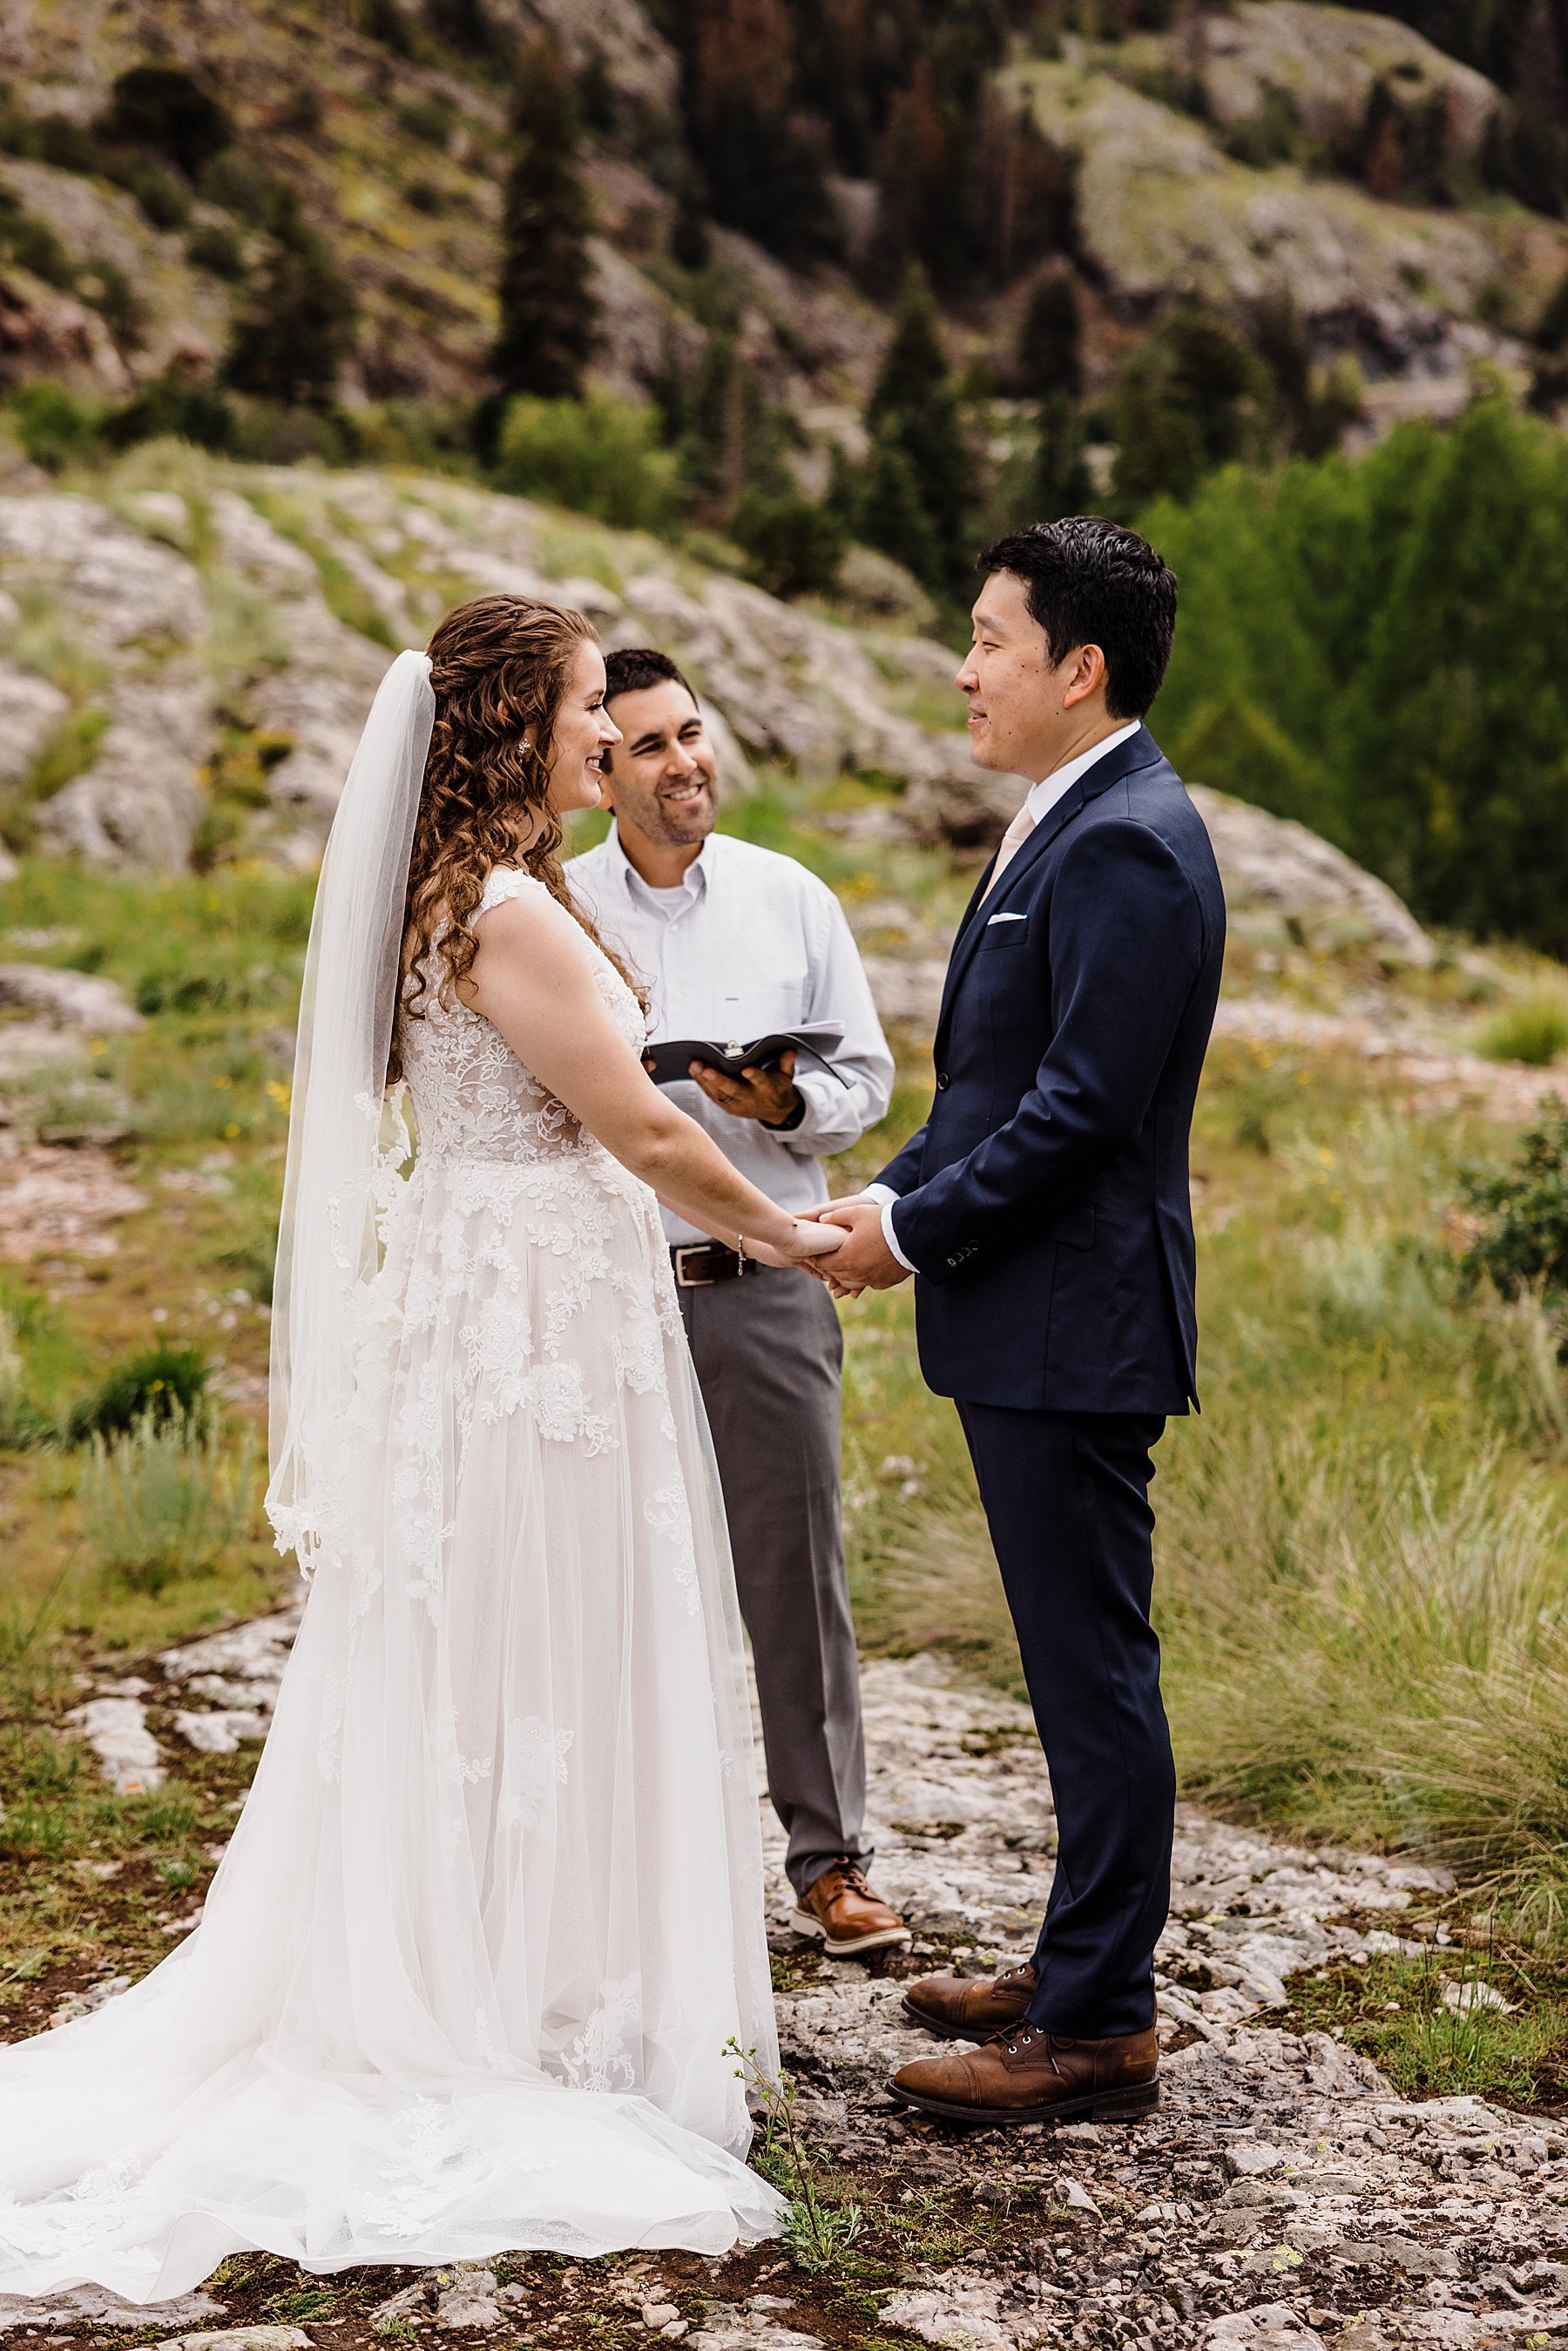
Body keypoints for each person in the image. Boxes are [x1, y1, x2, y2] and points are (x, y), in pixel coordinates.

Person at [0, 596, 850, 2300]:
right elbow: (640, 1135)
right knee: (550, 1642)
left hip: (481, 1295)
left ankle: (508, 1955)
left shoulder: (435, 903)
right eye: (578, 709)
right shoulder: (516, 915)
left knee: (481, 1649)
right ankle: (530, 1999)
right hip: (538, 1309)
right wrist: (797, 1237)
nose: (605, 734)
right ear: (511, 730)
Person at [808, 517, 1225, 2126]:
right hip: (1033, 1316)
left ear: (1080, 667)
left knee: (1094, 1670)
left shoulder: (1128, 837)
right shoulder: (1065, 817)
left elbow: (1078, 1112)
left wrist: (909, 1232)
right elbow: (988, 1089)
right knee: (1072, 1668)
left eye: (989, 638)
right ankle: (1073, 1968)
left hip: (1077, 1326)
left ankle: (1100, 2022)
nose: (962, 667)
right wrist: (886, 1202)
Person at [569, 648, 909, 1961]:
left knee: (794, 1575)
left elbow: (869, 1076)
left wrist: (786, 1105)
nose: (684, 761)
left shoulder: (789, 897)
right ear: (602, 771)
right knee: (602, 1572)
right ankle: (618, 1871)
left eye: (693, 734)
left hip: (762, 1287)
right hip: (602, 1291)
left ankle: (830, 1863)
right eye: (649, 743)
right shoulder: (558, 906)